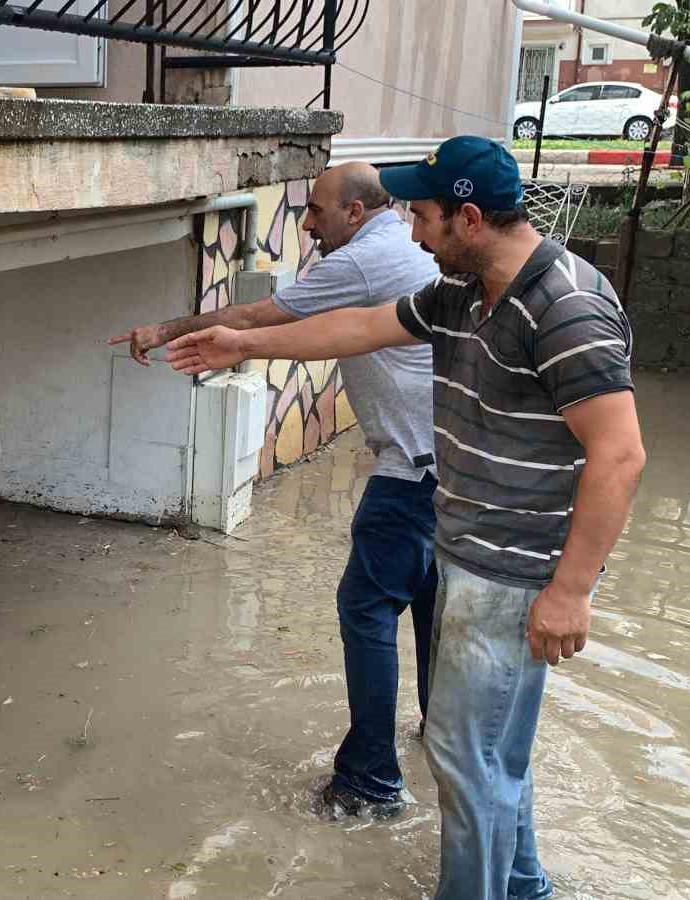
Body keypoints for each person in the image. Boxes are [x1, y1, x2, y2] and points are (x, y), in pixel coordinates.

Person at [164, 136, 646, 900]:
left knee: (464, 758)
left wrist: (571, 591)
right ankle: (521, 887)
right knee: (493, 758)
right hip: (468, 550)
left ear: (470, 217)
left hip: (513, 572)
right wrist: (243, 342)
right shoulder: (463, 293)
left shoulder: (566, 306)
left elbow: (619, 455)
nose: (413, 233)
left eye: (422, 216)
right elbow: (360, 327)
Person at [110, 162, 441, 820]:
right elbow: (335, 333)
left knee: (366, 609)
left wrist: (169, 331)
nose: (306, 222)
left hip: (412, 469)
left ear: (353, 212)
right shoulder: (398, 250)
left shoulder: (365, 261)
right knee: (431, 607)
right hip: (451, 469)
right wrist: (243, 342)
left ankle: (370, 784)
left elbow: (264, 313)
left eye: (316, 210)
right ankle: (441, 737)